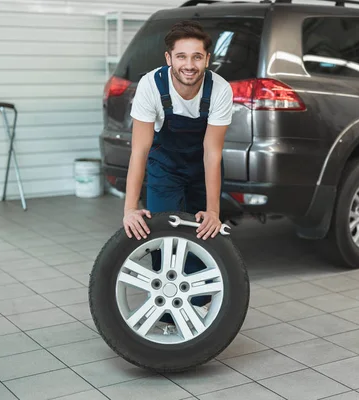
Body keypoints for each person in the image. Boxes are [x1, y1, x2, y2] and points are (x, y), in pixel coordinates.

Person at [121, 20, 233, 313]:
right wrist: (129, 208)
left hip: (202, 167)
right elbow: (140, 150)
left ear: (207, 59)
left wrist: (213, 212)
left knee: (202, 235)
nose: (190, 64)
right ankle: (166, 308)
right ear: (168, 58)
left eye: (197, 56)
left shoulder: (220, 90)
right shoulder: (150, 86)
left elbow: (212, 152)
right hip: (165, 167)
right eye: (181, 56)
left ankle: (197, 305)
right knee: (162, 239)